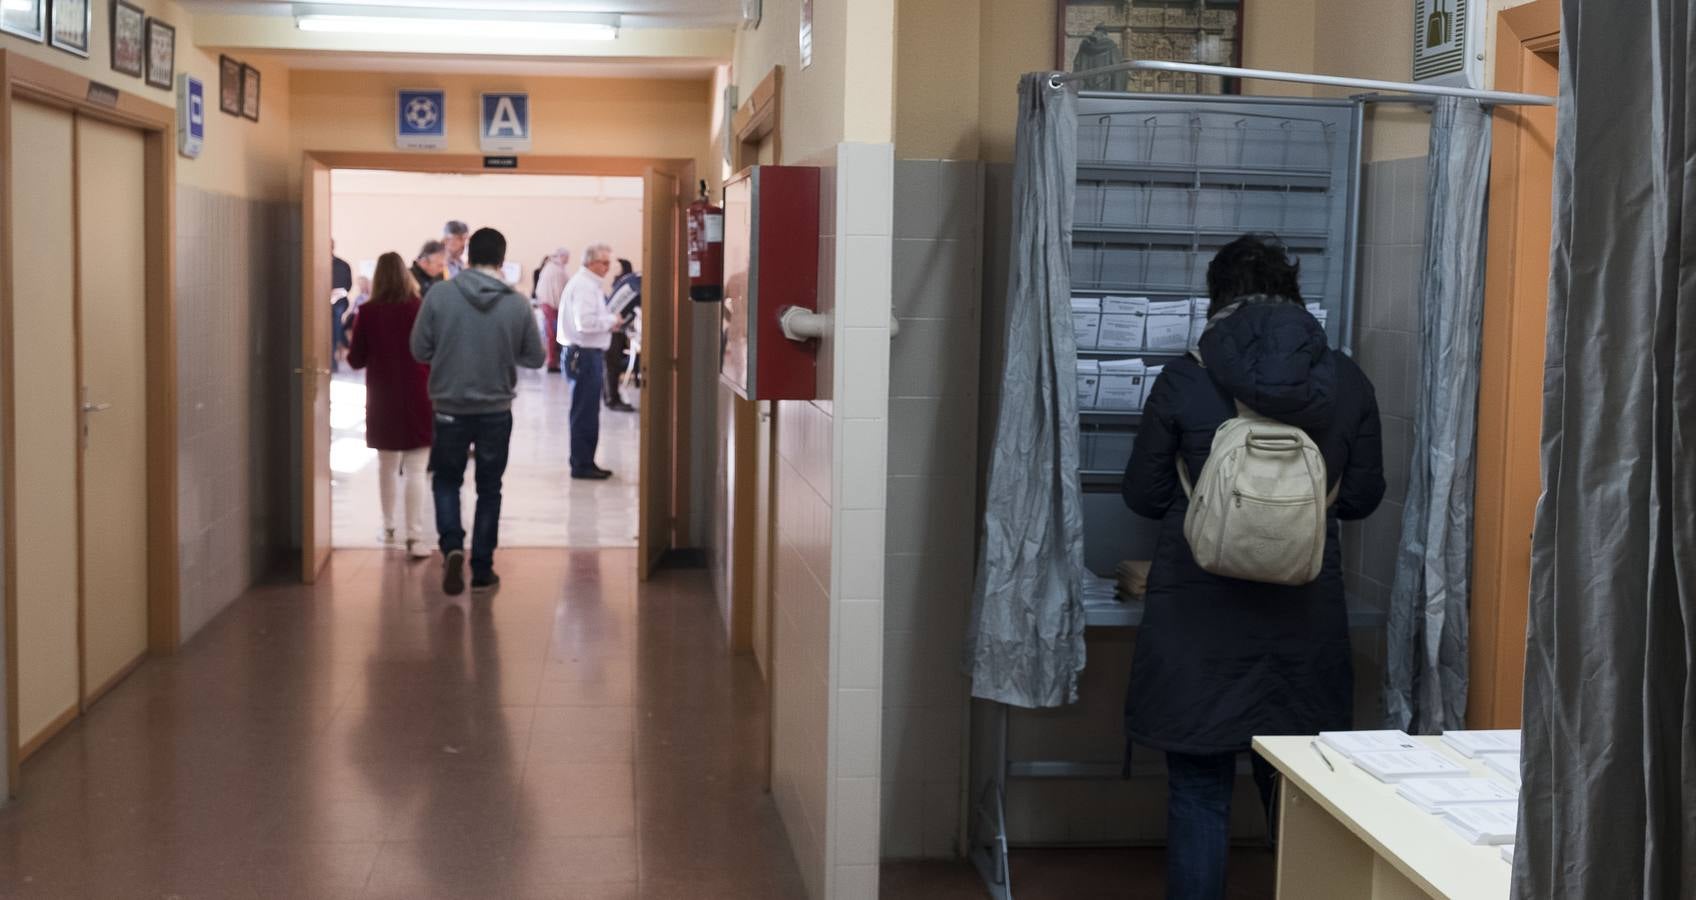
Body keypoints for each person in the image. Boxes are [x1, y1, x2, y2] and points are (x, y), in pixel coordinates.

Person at [1119, 234, 1384, 900]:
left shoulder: (1186, 375)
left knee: (1201, 791)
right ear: (1295, 296)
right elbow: (1360, 497)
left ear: (1219, 301)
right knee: (1297, 795)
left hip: (1195, 623)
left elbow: (1144, 495)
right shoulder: (1346, 379)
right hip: (1303, 623)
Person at [410, 227, 546, 595]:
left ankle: (452, 545)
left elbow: (419, 350)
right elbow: (536, 357)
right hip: (495, 409)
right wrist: (502, 349)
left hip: (449, 407)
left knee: (446, 480)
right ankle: (483, 568)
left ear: (467, 257)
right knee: (490, 487)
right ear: (503, 260)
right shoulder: (516, 304)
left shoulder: (440, 295)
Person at [347, 252, 434, 560]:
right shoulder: (419, 308)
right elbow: (432, 351)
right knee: (416, 470)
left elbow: (355, 360)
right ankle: (415, 536)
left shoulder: (367, 313)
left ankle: (388, 529)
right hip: (418, 393)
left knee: (386, 467)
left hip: (383, 397)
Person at [557, 242, 618, 480]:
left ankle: (585, 461)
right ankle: (582, 464)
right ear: (590, 262)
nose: (607, 267)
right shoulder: (584, 286)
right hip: (584, 356)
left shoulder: (589, 285)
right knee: (585, 413)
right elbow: (586, 324)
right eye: (604, 262)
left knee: (587, 411)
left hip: (585, 355)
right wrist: (612, 320)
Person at [604, 259, 640, 412]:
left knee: (610, 365)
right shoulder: (640, 283)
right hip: (612, 327)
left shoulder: (634, 279)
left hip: (611, 325)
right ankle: (612, 399)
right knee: (612, 365)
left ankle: (609, 397)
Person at [533, 247, 572, 374]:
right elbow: (559, 292)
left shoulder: (551, 267)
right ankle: (552, 363)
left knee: (552, 334)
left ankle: (553, 361)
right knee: (552, 335)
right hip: (552, 305)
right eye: (567, 257)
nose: (568, 260)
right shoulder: (556, 270)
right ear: (562, 256)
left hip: (548, 304)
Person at [331, 243, 353, 372]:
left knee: (335, 318)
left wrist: (336, 293)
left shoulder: (342, 265)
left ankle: (332, 358)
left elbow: (347, 286)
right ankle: (344, 342)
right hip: (321, 301)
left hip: (338, 302)